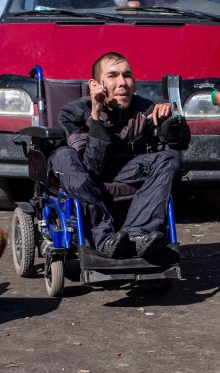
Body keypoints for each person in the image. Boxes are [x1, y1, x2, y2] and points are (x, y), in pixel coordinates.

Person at [50, 51, 179, 258]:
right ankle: (104, 239)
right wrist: (96, 115)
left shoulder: (144, 109)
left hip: (125, 171)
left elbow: (180, 142)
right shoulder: (73, 113)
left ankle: (137, 234)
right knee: (64, 157)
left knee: (168, 158)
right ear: (95, 84)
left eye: (127, 75)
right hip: (85, 177)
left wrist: (171, 119)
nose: (122, 83)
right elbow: (92, 168)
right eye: (112, 76)